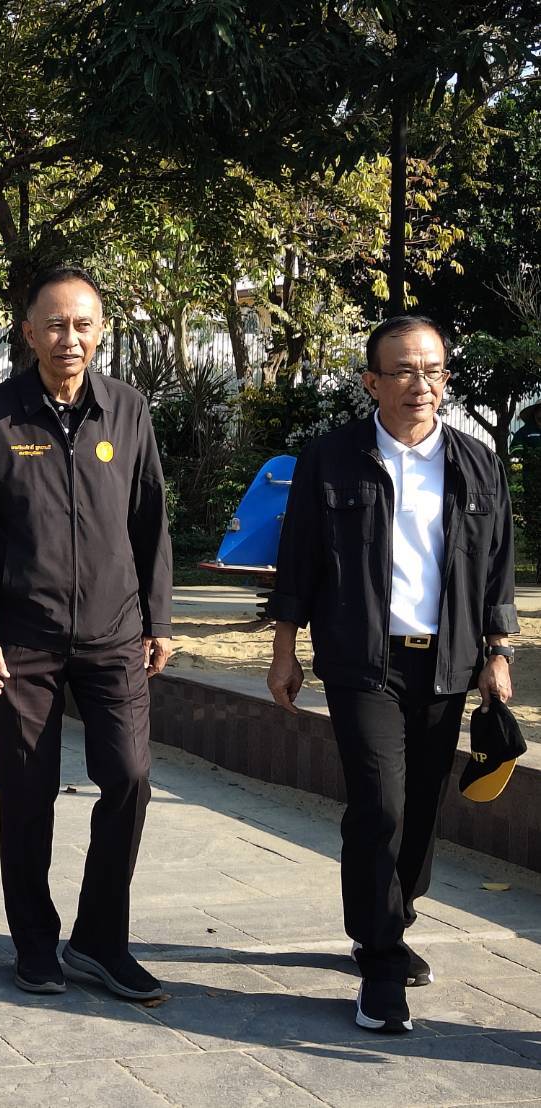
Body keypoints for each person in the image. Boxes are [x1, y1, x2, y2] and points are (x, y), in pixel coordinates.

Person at [266, 315, 517, 1034]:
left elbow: (496, 565)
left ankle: (390, 920)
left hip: (447, 661)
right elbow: (298, 562)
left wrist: (498, 652)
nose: (420, 384)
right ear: (372, 381)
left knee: (421, 812)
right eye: (403, 370)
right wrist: (284, 650)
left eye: (432, 370)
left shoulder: (475, 462)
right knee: (378, 805)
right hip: (361, 660)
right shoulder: (331, 458)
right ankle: (379, 966)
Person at [0, 265, 173, 1000]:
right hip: (23, 639)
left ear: (100, 331)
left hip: (115, 634)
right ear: (28, 332)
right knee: (28, 791)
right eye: (54, 324)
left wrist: (159, 619)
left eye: (82, 324)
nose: (68, 337)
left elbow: (151, 520)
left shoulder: (128, 409)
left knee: (130, 778)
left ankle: (100, 940)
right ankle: (35, 943)